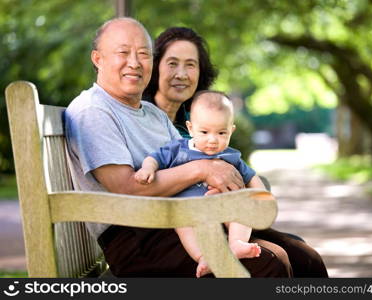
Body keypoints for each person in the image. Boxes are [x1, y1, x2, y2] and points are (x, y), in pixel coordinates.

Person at [64, 17, 292, 277]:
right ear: (98, 59)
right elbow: (126, 189)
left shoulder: (152, 113)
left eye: (143, 54)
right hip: (139, 238)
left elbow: (190, 155)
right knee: (270, 262)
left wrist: (217, 188)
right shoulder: (93, 110)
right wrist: (203, 171)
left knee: (304, 257)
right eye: (123, 53)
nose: (135, 63)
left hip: (183, 217)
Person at [143, 26, 328, 277]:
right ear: (155, 67)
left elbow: (235, 166)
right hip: (181, 223)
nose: (182, 74)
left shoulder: (204, 112)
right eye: (172, 63)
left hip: (225, 216)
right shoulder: (144, 117)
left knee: (307, 258)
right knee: (276, 258)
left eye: (191, 65)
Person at [136, 91, 266, 277]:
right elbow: (154, 158)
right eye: (204, 132)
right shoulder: (178, 149)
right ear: (190, 128)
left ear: (231, 131)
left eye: (222, 133)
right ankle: (202, 257)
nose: (212, 140)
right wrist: (147, 169)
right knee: (183, 225)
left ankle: (236, 243)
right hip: (189, 210)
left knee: (243, 207)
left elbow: (251, 177)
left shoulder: (230, 156)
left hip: (223, 207)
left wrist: (261, 197)